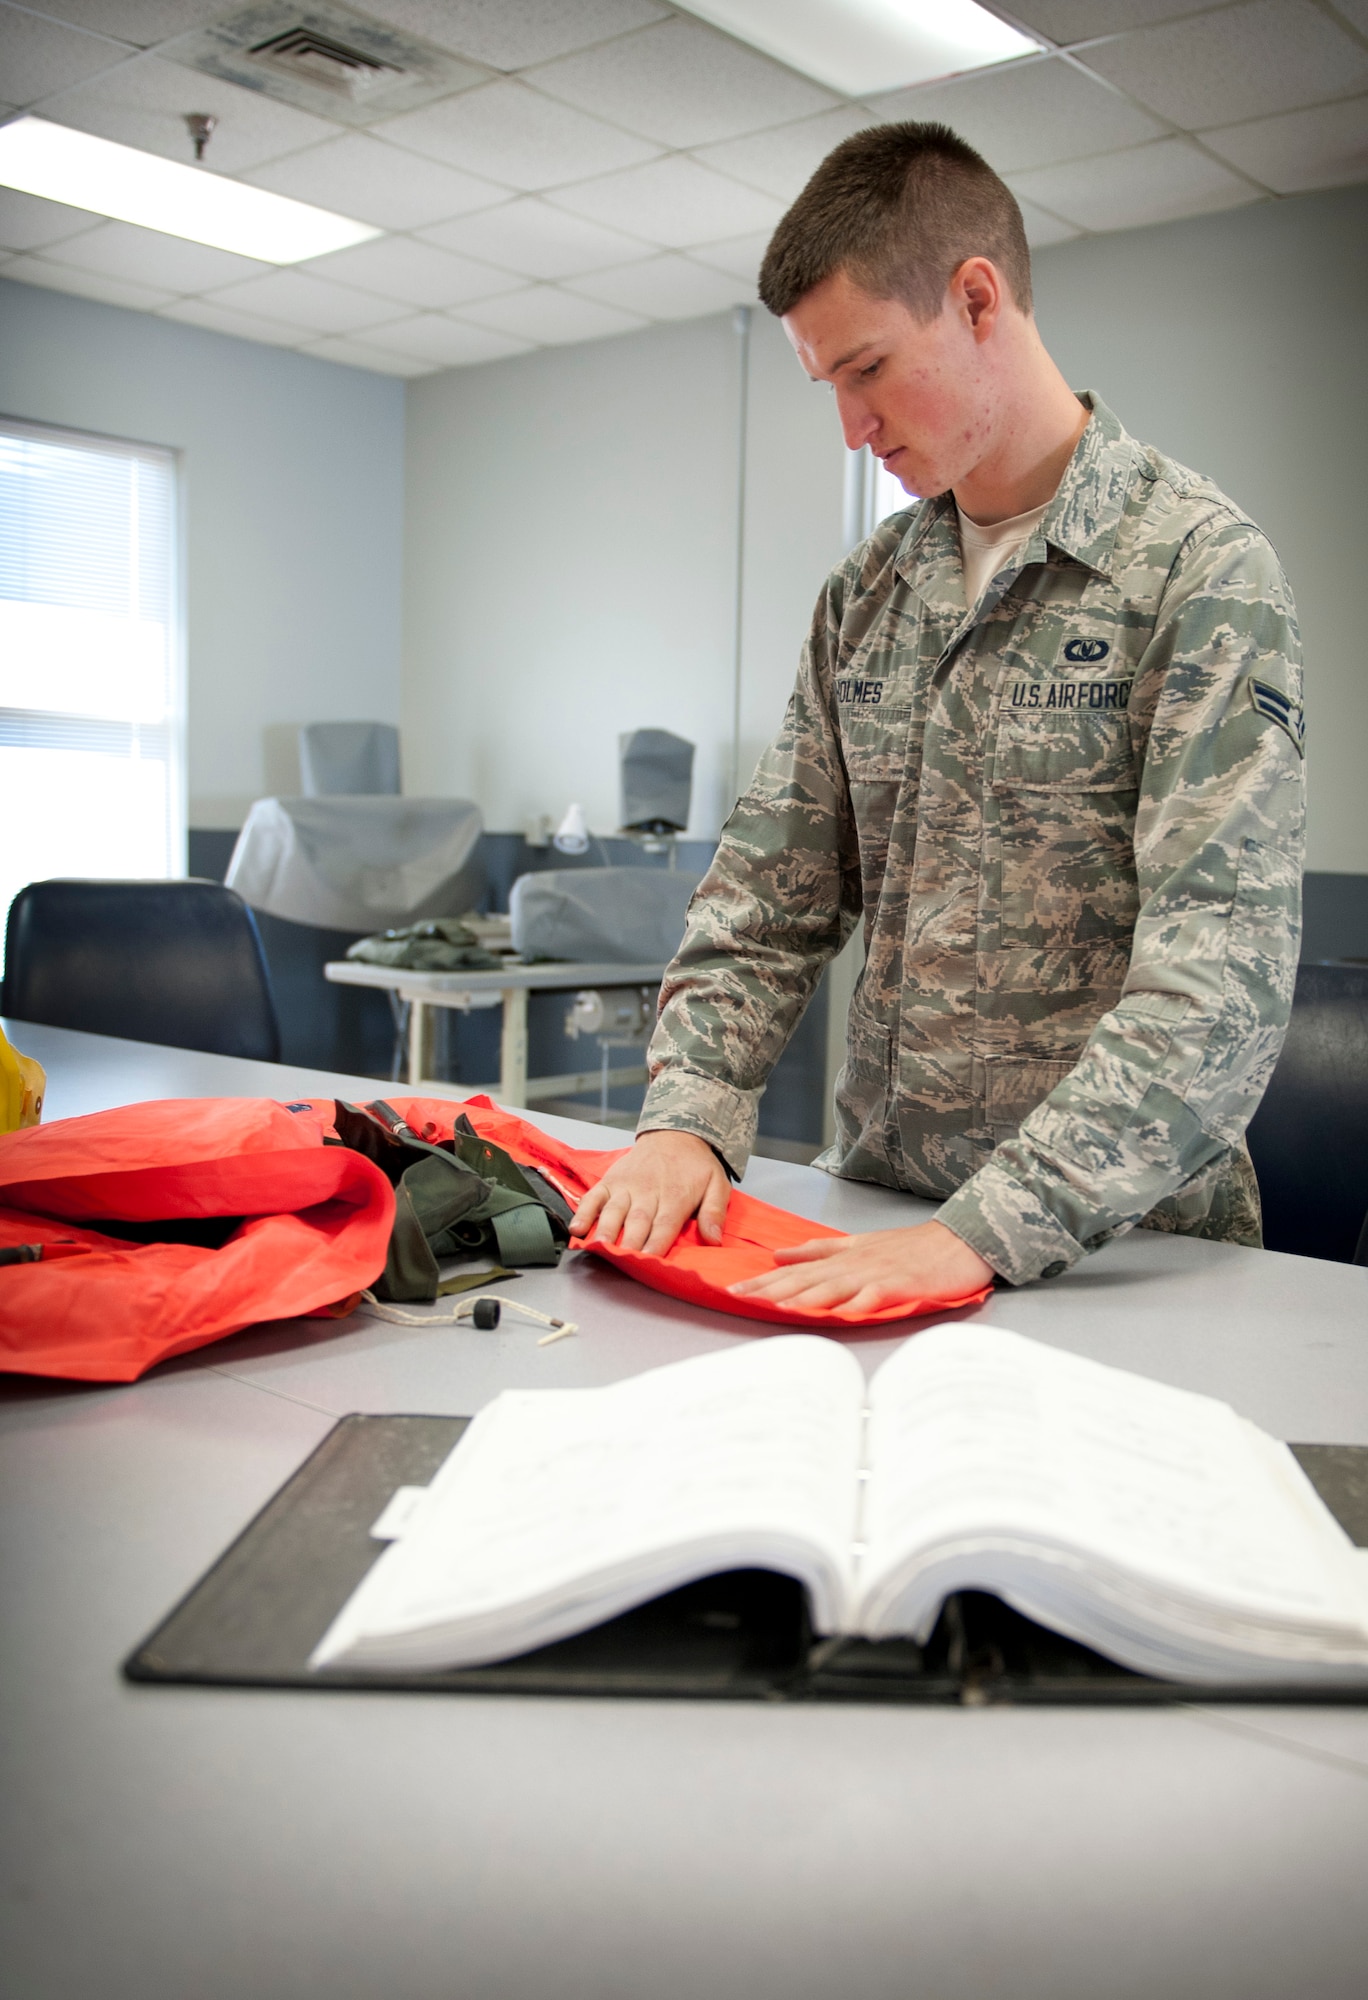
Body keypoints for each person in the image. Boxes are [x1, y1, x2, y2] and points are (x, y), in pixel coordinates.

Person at [570, 122, 1305, 1315]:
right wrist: (689, 1119)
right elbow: (768, 898)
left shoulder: (1195, 571)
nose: (851, 427)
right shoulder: (868, 596)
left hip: (1124, 1257)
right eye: (828, 387)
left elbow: (1217, 978)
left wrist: (987, 1231)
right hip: (880, 1215)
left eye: (866, 369)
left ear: (977, 300)